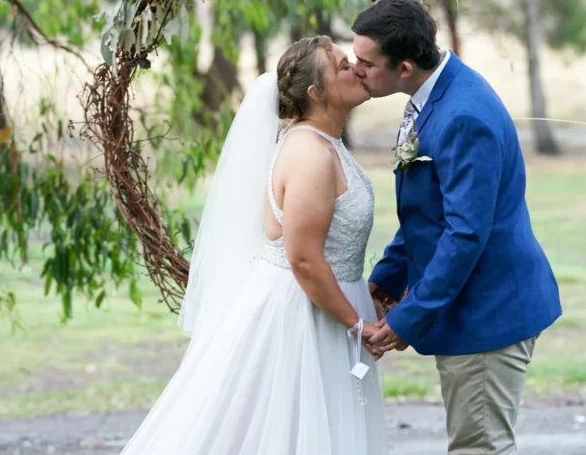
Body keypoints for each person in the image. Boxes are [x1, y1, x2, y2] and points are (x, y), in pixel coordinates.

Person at [119, 36, 387, 455]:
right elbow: (301, 256)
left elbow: (275, 229)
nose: (355, 67)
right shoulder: (310, 154)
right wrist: (358, 325)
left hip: (326, 305)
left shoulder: (322, 143)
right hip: (305, 318)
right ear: (317, 93)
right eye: (341, 64)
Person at [351, 0, 562, 455]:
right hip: (474, 304)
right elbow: (431, 211)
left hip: (489, 311)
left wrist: (409, 317)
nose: (355, 69)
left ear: (404, 67)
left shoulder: (462, 115)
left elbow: (466, 233)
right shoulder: (437, 90)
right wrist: (388, 277)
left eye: (366, 62)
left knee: (479, 447)